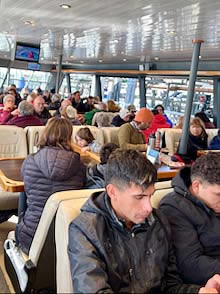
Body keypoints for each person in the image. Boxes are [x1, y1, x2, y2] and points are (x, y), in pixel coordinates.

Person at [68, 149, 220, 293]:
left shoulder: (159, 221)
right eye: (139, 197)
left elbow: (171, 286)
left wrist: (198, 291)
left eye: (150, 196)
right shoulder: (86, 229)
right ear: (112, 192)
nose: (148, 208)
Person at [15, 117, 86, 254]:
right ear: (68, 136)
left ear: (46, 133)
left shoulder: (30, 161)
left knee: (25, 193)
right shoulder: (79, 165)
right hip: (66, 237)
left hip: (31, 236)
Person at [160, 152, 220, 286]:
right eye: (218, 194)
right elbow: (190, 265)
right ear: (196, 186)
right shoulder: (174, 208)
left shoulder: (213, 201)